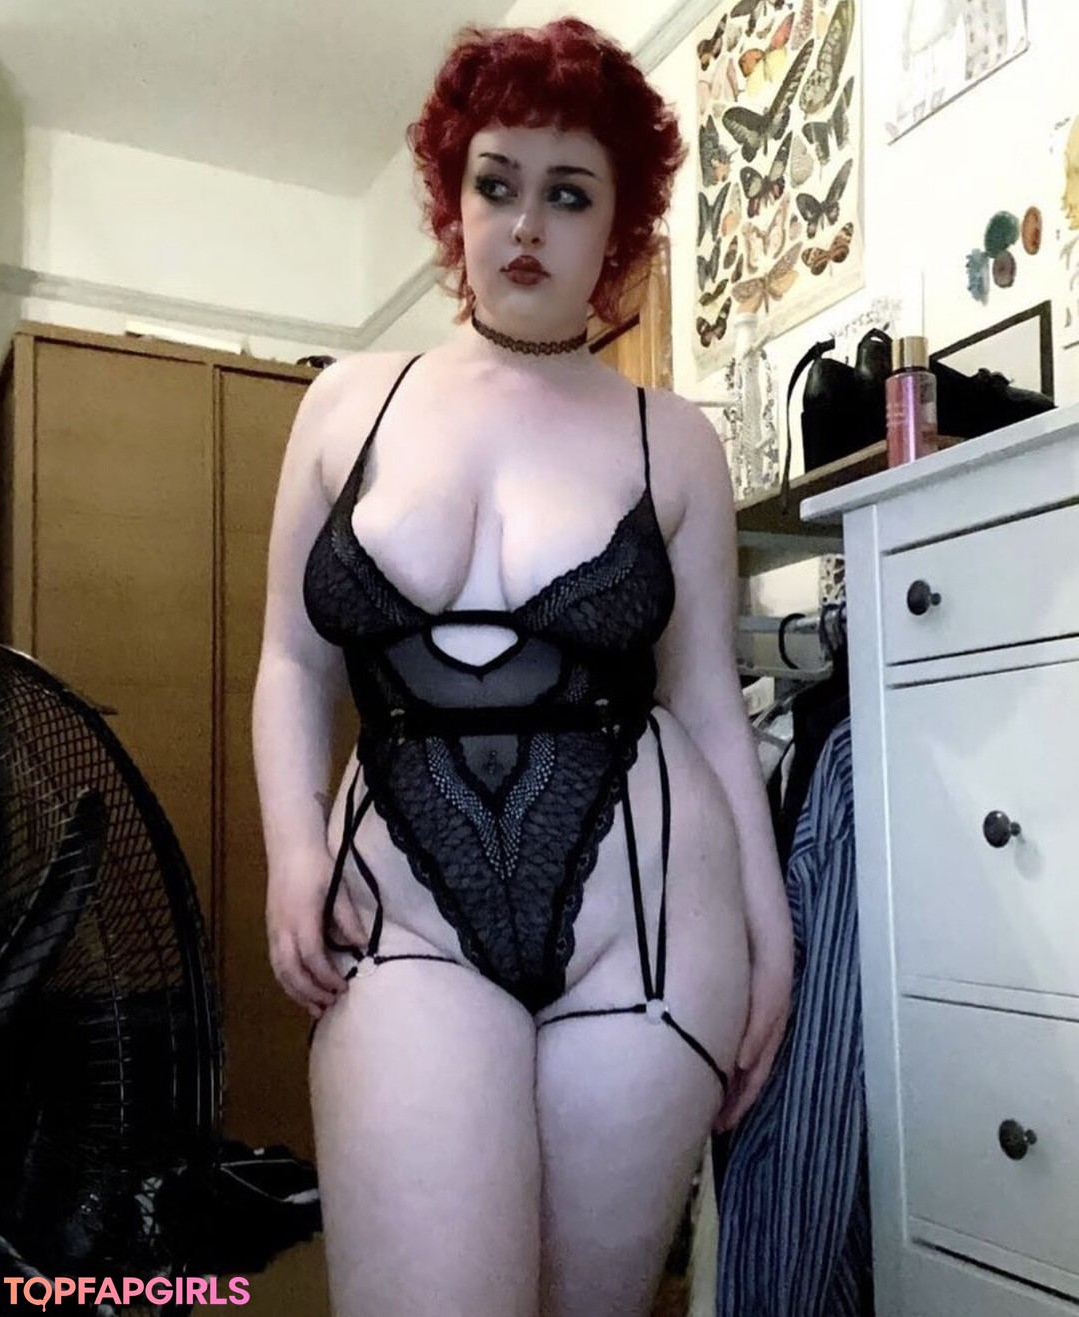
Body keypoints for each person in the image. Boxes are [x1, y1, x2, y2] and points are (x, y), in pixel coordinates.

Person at [253, 17, 793, 1317]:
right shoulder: (347, 402)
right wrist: (290, 847)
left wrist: (772, 934)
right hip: (404, 918)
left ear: (621, 224)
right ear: (455, 195)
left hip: (649, 928)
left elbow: (707, 701)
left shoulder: (677, 439)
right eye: (497, 182)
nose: (527, 224)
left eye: (570, 192)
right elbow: (289, 659)